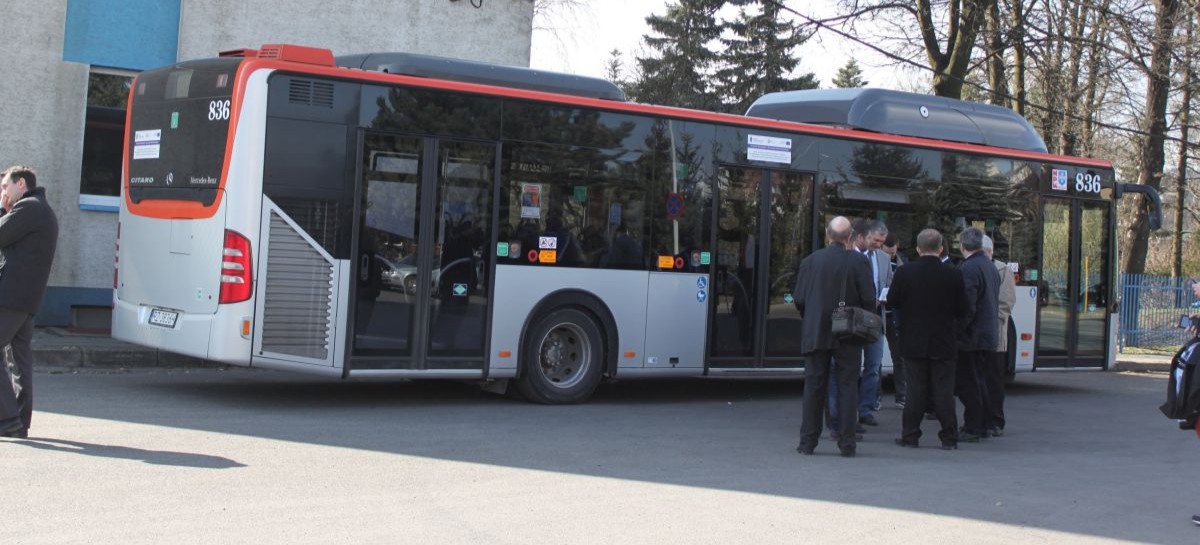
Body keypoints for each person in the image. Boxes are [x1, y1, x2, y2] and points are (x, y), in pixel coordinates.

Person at [794, 216, 876, 457]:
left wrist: (813, 315)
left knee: (814, 386)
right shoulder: (859, 262)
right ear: (849, 238)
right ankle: (847, 443)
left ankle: (807, 442)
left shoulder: (810, 261)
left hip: (816, 331)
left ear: (827, 236)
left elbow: (799, 299)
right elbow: (869, 299)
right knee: (848, 386)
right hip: (848, 332)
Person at [886, 229, 966, 449]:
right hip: (944, 341)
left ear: (918, 249)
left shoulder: (905, 273)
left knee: (915, 390)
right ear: (941, 250)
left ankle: (910, 436)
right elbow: (963, 309)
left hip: (913, 340)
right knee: (944, 391)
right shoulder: (954, 274)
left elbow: (892, 301)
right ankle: (949, 437)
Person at [0, 166, 59, 439]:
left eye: (5, 187)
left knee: (17, 360)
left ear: (20, 183)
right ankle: (19, 422)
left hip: (11, 296)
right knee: (19, 361)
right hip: (26, 299)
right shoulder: (41, 210)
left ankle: (8, 418)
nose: (3, 193)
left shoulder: (29, 208)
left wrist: (2, 211)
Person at [830, 219, 889, 428]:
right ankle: (842, 415)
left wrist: (885, 296)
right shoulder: (847, 256)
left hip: (874, 320)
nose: (878, 245)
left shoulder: (883, 258)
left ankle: (865, 409)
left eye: (882, 242)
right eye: (875, 240)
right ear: (863, 236)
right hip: (850, 321)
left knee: (873, 366)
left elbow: (888, 283)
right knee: (847, 368)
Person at [955, 227, 1000, 442]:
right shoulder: (989, 266)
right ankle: (985, 423)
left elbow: (967, 306)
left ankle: (973, 426)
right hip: (987, 335)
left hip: (971, 337)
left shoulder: (969, 269)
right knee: (981, 381)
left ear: (962, 246)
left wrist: (956, 331)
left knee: (969, 383)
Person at [982, 235, 1016, 437]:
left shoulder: (1003, 270)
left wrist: (990, 320)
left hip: (995, 334)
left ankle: (995, 420)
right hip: (978, 335)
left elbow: (1006, 302)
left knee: (993, 379)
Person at [882, 233, 907, 409]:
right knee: (874, 360)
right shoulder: (875, 261)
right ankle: (875, 398)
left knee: (899, 358)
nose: (891, 254)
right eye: (887, 251)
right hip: (879, 313)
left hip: (895, 315)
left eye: (893, 251)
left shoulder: (902, 264)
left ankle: (902, 396)